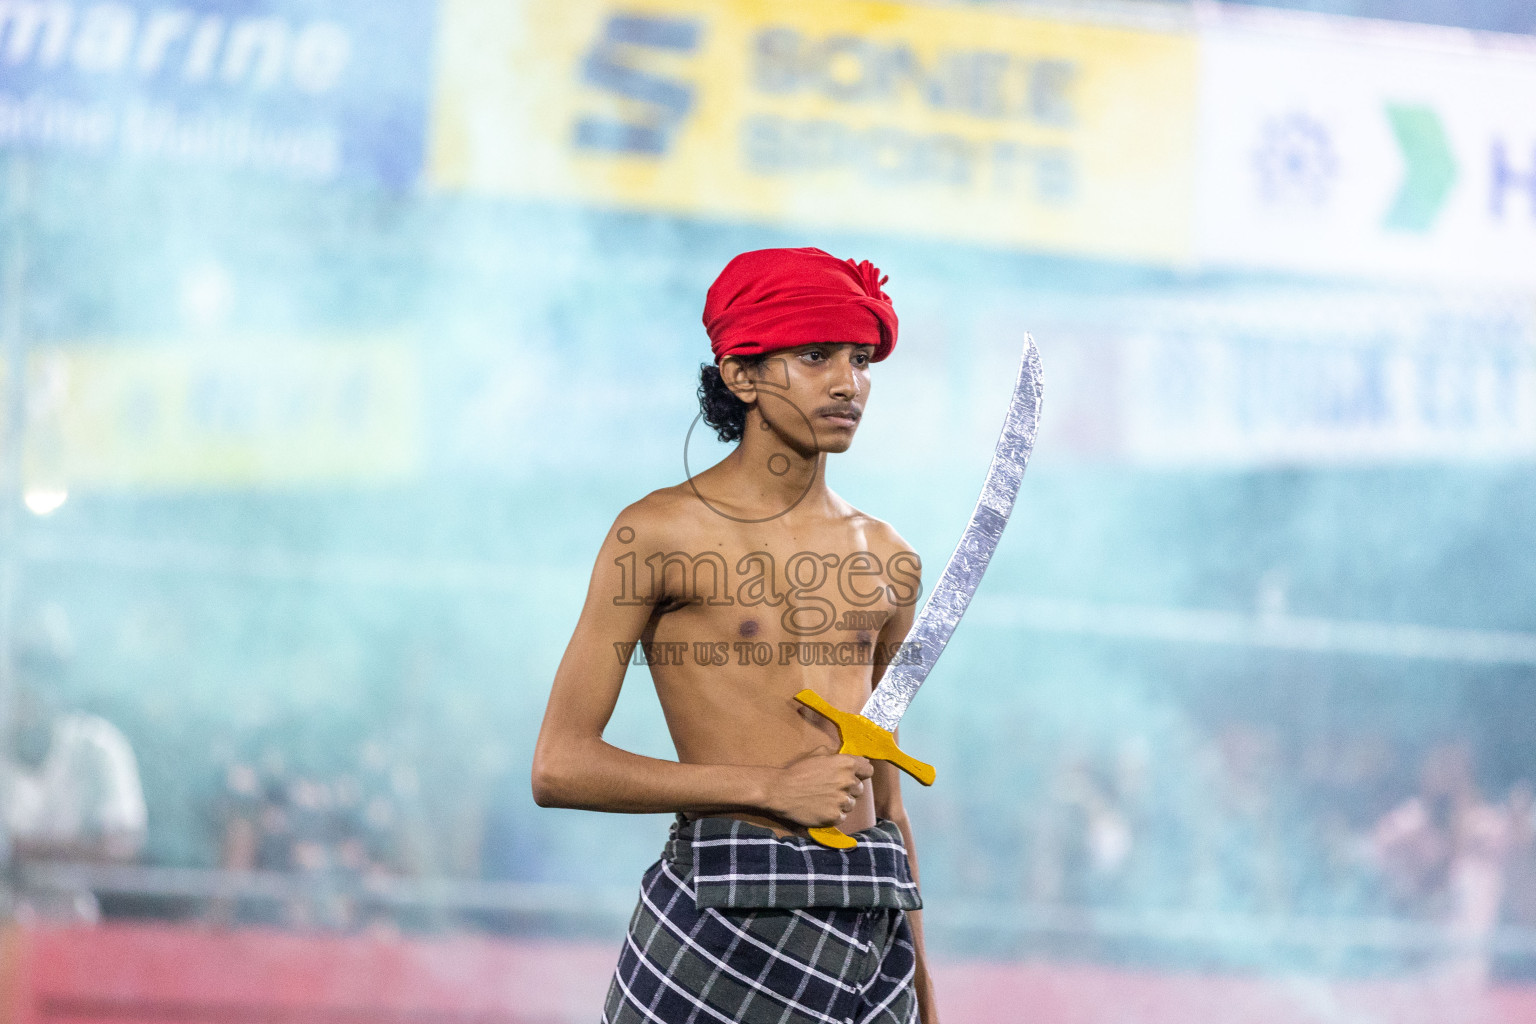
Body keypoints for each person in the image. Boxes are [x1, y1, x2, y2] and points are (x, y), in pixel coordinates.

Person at [532, 248, 937, 1023]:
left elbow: (884, 798)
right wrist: (765, 789)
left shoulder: (889, 558)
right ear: (741, 375)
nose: (848, 383)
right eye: (815, 356)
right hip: (725, 913)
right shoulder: (655, 533)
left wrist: (925, 996)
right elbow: (559, 766)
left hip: (870, 926)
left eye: (860, 359)